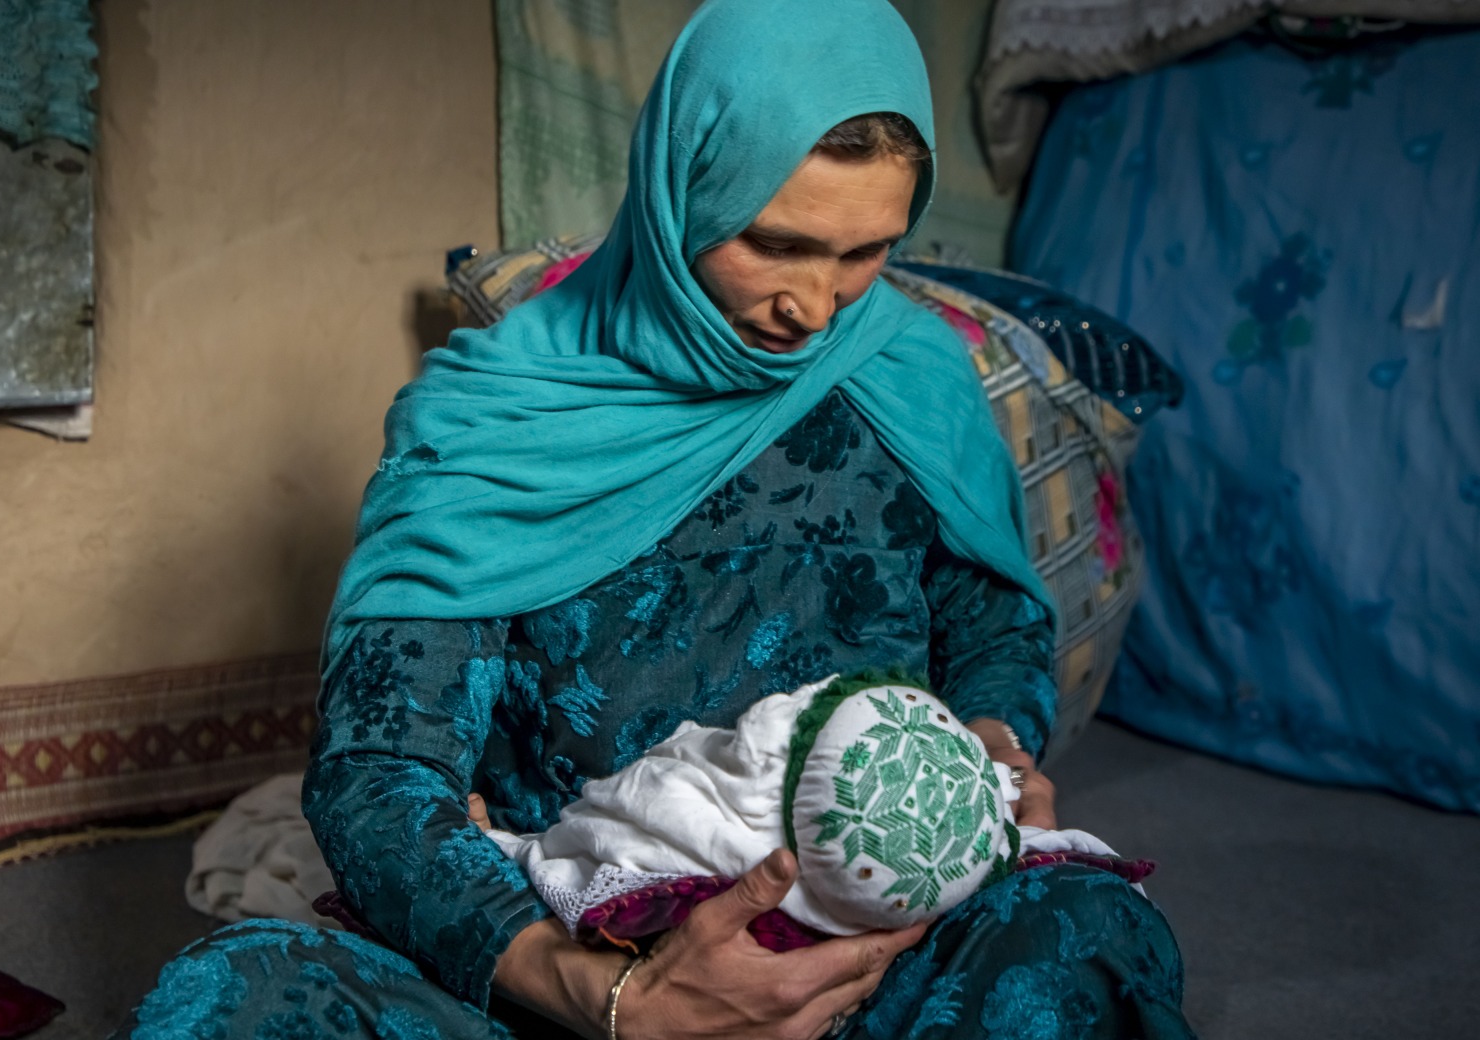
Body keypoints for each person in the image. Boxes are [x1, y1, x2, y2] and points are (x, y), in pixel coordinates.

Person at [117, 1, 1192, 1037]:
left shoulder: (911, 377)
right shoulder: (493, 421)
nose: (815, 305)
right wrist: (615, 1000)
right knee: (239, 996)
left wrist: (994, 746)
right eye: (775, 242)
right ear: (682, 190)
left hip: (876, 959)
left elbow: (993, 625)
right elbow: (379, 772)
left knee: (1088, 936)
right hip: (582, 948)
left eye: (865, 251)